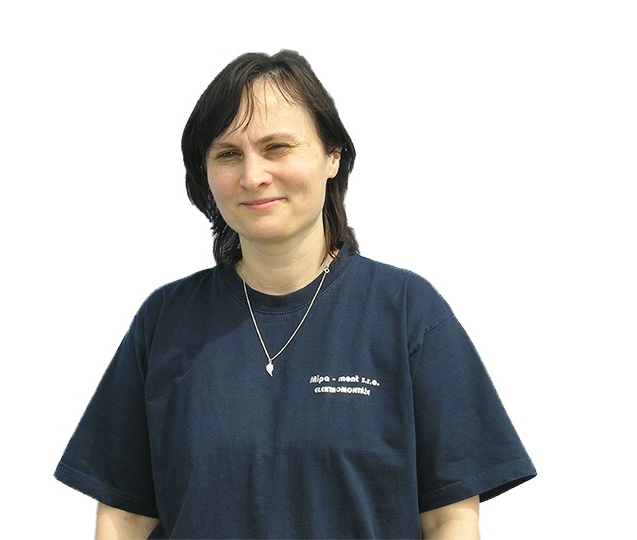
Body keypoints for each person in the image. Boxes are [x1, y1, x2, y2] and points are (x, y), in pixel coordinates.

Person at [53, 50, 537, 540]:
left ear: (333, 156)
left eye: (277, 147)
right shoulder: (164, 319)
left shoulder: (409, 312)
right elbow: (125, 517)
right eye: (227, 154)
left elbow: (448, 519)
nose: (252, 176)